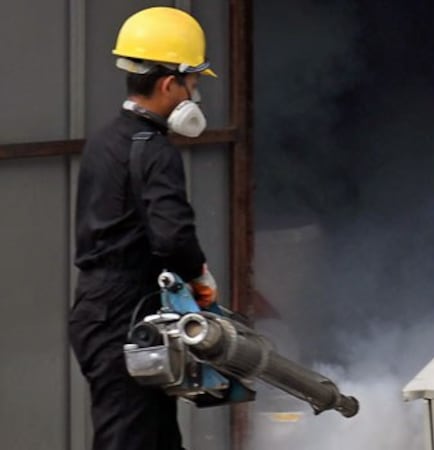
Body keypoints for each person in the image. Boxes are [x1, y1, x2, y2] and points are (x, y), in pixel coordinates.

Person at [68, 7, 219, 450]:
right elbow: (172, 235)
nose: (195, 94)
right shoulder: (154, 151)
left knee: (154, 436)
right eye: (192, 82)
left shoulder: (104, 141)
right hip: (123, 314)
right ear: (169, 83)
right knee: (129, 438)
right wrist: (199, 276)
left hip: (102, 309)